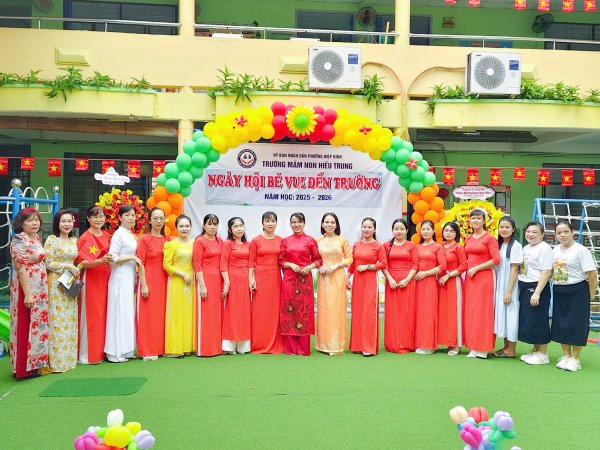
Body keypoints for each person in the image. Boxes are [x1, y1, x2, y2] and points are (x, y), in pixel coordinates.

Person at [551, 220, 598, 372]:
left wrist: (591, 293)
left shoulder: (581, 250)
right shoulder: (555, 250)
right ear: (555, 235)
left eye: (566, 231)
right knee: (561, 323)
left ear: (573, 233)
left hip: (578, 290)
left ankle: (575, 358)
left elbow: (592, 274)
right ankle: (566, 355)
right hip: (559, 290)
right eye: (559, 233)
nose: (563, 235)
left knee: (577, 324)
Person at [9, 208, 49, 379]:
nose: (34, 223)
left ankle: (35, 365)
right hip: (26, 287)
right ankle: (23, 368)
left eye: (37, 220)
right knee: (26, 323)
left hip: (40, 288)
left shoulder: (36, 238)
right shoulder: (19, 240)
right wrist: (27, 294)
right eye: (30, 220)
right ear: (21, 223)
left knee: (38, 325)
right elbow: (21, 269)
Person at [279, 212, 322, 356]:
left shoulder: (310, 241)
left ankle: (303, 349)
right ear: (290, 224)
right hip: (289, 280)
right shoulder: (285, 241)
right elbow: (280, 261)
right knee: (290, 311)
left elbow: (318, 260)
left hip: (304, 280)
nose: (296, 225)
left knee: (304, 312)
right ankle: (290, 348)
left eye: (299, 222)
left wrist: (309, 267)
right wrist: (290, 264)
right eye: (293, 222)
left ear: (304, 223)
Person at [43, 209, 80, 373]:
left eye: (69, 221)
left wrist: (75, 269)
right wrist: (67, 266)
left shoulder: (74, 240)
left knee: (70, 321)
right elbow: (48, 263)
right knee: (57, 322)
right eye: (63, 221)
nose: (67, 224)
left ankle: (69, 360)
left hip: (70, 283)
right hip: (57, 284)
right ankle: (57, 362)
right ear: (57, 223)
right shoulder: (52, 240)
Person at [105, 205, 142, 363]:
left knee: (127, 312)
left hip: (129, 276)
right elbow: (112, 257)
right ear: (120, 217)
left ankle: (127, 349)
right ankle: (115, 352)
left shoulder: (130, 234)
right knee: (119, 312)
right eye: (127, 215)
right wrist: (132, 258)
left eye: (133, 215)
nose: (131, 218)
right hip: (120, 276)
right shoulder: (118, 234)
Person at [77, 206, 113, 364]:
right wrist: (100, 261)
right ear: (88, 219)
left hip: (105, 277)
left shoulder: (106, 235)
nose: (99, 219)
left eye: (101, 216)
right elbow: (81, 262)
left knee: (105, 314)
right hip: (91, 278)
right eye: (95, 216)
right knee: (92, 315)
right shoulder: (85, 237)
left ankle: (102, 351)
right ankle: (88, 354)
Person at [463, 209, 500, 359]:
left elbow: (496, 260)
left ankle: (483, 348)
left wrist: (476, 268)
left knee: (483, 311)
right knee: (472, 311)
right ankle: (474, 345)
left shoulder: (490, 238)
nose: (475, 220)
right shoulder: (468, 239)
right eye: (473, 218)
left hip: (484, 278)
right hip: (471, 279)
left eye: (478, 218)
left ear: (484, 221)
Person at [347, 217, 387, 356]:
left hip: (370, 281)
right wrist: (347, 277)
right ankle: (357, 345)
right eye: (364, 226)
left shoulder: (378, 246)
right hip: (357, 282)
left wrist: (368, 267)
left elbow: (383, 264)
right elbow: (353, 264)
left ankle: (368, 347)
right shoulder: (356, 244)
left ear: (374, 229)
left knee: (369, 312)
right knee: (357, 311)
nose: (366, 229)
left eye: (369, 227)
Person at [316, 212, 352, 355]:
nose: (329, 225)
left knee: (336, 309)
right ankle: (323, 344)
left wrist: (336, 266)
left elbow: (349, 259)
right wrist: (320, 266)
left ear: (336, 225)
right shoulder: (318, 241)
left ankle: (336, 345)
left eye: (332, 222)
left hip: (337, 276)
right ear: (322, 224)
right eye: (327, 222)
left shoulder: (342, 240)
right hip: (323, 277)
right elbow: (315, 259)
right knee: (324, 308)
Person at [136, 207, 170, 361]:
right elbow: (140, 263)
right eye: (155, 218)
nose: (158, 221)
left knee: (161, 315)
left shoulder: (168, 239)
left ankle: (161, 348)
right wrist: (144, 284)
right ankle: (147, 350)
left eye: (161, 218)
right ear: (149, 220)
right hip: (149, 279)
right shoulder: (144, 239)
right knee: (148, 315)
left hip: (165, 281)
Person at [518, 221, 553, 365]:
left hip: (537, 287)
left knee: (539, 320)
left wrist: (537, 292)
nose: (530, 234)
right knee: (530, 320)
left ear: (542, 235)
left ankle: (543, 354)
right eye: (528, 231)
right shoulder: (526, 248)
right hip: (525, 287)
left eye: (534, 232)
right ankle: (536, 350)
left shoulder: (544, 248)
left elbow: (546, 272)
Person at [249, 212, 283, 354]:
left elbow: (283, 261)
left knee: (274, 311)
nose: (270, 223)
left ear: (276, 223)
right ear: (262, 223)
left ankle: (275, 342)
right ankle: (258, 343)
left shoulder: (281, 240)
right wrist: (251, 279)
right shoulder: (255, 241)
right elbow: (251, 261)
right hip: (260, 278)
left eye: (273, 221)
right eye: (267, 221)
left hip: (275, 278)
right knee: (259, 311)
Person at [382, 219, 417, 354]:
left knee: (406, 312)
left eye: (402, 229)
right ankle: (392, 342)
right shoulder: (386, 245)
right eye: (396, 229)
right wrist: (390, 279)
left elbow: (415, 265)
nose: (399, 231)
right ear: (392, 230)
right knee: (393, 312)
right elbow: (383, 264)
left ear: (407, 230)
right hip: (391, 281)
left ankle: (407, 342)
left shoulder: (411, 246)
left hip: (407, 281)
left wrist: (407, 280)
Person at [163, 215, 196, 357]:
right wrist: (182, 274)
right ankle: (175, 348)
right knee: (176, 313)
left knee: (189, 314)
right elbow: (166, 265)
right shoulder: (171, 244)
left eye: (187, 226)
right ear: (176, 228)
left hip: (192, 282)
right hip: (177, 281)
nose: (184, 229)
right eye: (181, 226)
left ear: (191, 227)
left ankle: (187, 346)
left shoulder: (194, 243)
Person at [414, 220, 447, 355]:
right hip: (417, 283)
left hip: (429, 282)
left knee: (428, 312)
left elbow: (443, 266)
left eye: (428, 229)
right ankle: (419, 342)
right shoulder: (417, 247)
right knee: (419, 313)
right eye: (423, 229)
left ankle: (428, 345)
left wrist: (425, 273)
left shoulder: (438, 247)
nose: (425, 232)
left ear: (433, 231)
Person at [492, 216, 523, 359]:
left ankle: (511, 349)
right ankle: (506, 347)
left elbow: (515, 269)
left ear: (513, 229)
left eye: (507, 227)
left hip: (510, 285)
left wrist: (509, 291)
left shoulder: (516, 246)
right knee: (503, 314)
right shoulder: (498, 245)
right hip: (499, 284)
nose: (503, 230)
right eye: (501, 227)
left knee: (511, 314)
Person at [193, 214, 223, 357]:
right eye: (209, 224)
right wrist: (202, 285)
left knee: (216, 315)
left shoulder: (219, 240)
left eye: (215, 224)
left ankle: (216, 347)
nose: (212, 227)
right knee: (205, 314)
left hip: (218, 280)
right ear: (203, 226)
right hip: (205, 279)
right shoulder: (199, 241)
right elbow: (196, 264)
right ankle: (204, 348)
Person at [220, 217, 251, 354]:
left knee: (244, 311)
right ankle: (229, 345)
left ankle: (243, 346)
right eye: (236, 226)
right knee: (232, 311)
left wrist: (251, 279)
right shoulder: (228, 243)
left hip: (245, 279)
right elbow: (223, 264)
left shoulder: (248, 244)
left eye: (241, 226)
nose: (239, 229)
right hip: (232, 278)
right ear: (230, 229)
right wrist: (227, 282)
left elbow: (251, 263)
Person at [437, 222, 467, 356]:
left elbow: (463, 266)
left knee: (455, 312)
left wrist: (448, 275)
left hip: (453, 282)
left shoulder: (458, 248)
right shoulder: (440, 247)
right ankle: (449, 342)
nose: (448, 233)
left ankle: (457, 344)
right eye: (446, 231)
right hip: (440, 283)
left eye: (451, 231)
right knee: (444, 313)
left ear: (456, 233)